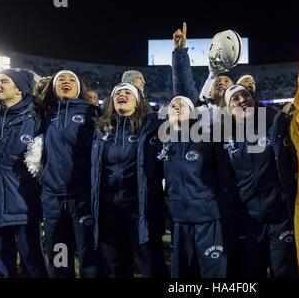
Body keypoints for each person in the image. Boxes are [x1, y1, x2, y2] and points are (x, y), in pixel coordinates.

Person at [91, 82, 167, 278]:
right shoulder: (101, 130)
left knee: (152, 267)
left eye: (127, 93)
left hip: (141, 211)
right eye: (117, 93)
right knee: (116, 268)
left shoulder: (152, 128)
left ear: (138, 101)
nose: (121, 96)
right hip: (109, 212)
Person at [222, 85, 299, 278]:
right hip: (247, 219)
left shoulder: (275, 122)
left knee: (284, 271)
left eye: (245, 95)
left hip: (280, 216)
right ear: (229, 110)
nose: (242, 100)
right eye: (235, 99)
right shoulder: (222, 136)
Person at [36, 70, 101, 277]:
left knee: (88, 254)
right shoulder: (44, 114)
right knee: (59, 254)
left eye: (72, 79)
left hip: (82, 197)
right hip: (52, 198)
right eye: (61, 79)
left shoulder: (92, 113)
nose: (66, 82)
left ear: (79, 87)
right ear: (53, 87)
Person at [159, 96, 231, 278]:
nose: (176, 107)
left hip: (207, 219)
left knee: (213, 275)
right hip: (179, 220)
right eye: (173, 105)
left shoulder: (207, 138)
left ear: (193, 112)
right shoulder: (164, 143)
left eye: (182, 105)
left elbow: (224, 178)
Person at [0, 69, 48, 278]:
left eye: (4, 81)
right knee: (1, 261)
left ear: (19, 89)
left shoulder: (36, 119)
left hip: (22, 201)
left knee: (33, 261)